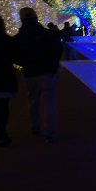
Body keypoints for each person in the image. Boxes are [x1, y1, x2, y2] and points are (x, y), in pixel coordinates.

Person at [15, 7, 63, 142]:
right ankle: (48, 132)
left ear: (21, 19)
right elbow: (58, 50)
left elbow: (15, 56)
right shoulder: (48, 34)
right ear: (36, 18)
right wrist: (53, 62)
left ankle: (35, 126)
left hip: (30, 72)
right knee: (48, 102)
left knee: (33, 101)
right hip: (47, 71)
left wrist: (25, 63)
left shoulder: (18, 38)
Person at [0, 13, 19, 147]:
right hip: (4, 78)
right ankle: (3, 130)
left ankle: (1, 130)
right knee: (4, 106)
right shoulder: (7, 39)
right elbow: (16, 57)